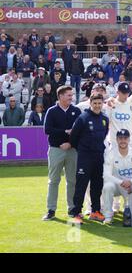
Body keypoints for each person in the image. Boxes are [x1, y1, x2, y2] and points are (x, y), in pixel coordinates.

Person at [42, 86, 82, 221]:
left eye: (72, 95)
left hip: (72, 150)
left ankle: (72, 209)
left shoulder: (76, 111)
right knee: (53, 181)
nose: (71, 97)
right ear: (60, 96)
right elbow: (47, 130)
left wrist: (70, 143)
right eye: (69, 95)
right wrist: (65, 132)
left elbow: (79, 131)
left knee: (72, 181)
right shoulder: (51, 111)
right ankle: (51, 210)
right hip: (55, 150)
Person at [69, 94, 109, 225]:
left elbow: (104, 134)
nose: (97, 105)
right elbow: (74, 137)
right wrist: (83, 149)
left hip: (99, 156)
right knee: (81, 185)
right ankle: (76, 213)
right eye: (95, 103)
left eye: (99, 103)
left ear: (102, 103)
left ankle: (95, 211)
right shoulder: (83, 118)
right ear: (90, 103)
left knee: (97, 185)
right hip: (85, 157)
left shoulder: (104, 119)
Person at [102, 129, 132, 225]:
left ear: (129, 139)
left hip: (130, 186)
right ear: (116, 139)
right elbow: (106, 174)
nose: (123, 140)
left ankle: (128, 211)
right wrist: (121, 182)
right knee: (107, 187)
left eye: (125, 138)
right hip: (117, 184)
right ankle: (108, 216)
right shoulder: (110, 154)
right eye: (120, 138)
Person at [105, 82, 132, 149]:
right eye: (123, 93)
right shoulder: (111, 104)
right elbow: (107, 121)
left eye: (127, 93)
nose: (126, 95)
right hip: (114, 141)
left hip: (129, 141)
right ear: (118, 92)